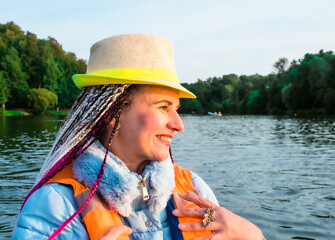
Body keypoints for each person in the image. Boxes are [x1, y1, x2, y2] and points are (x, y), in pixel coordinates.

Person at [13, 34, 264, 240]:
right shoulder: (55, 206)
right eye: (163, 107)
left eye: (177, 109)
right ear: (113, 113)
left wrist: (253, 235)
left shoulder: (195, 187)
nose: (179, 125)